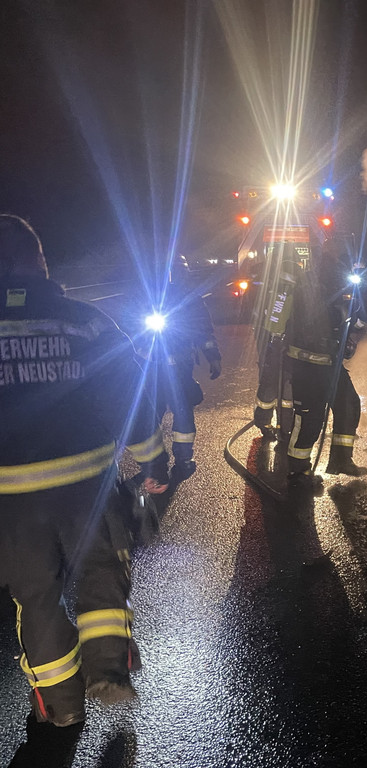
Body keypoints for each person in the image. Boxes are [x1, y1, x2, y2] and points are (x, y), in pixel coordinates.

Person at [0, 214, 170, 730]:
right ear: (39, 262)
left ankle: (62, 705)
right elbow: (127, 396)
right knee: (101, 573)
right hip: (87, 488)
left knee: (36, 595)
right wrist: (153, 458)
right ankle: (108, 671)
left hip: (9, 500)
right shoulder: (86, 322)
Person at [284, 244, 367, 488]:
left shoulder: (336, 289)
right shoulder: (309, 290)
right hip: (308, 366)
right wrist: (360, 308)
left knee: (348, 404)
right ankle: (298, 469)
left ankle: (341, 460)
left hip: (330, 364)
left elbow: (353, 321)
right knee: (310, 418)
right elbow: (334, 320)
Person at [140, 254, 222, 480]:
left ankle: (183, 458)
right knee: (151, 413)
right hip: (152, 369)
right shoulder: (148, 298)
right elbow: (133, 329)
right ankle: (153, 461)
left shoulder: (192, 300)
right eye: (172, 271)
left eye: (180, 271)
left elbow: (204, 332)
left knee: (183, 411)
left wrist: (213, 357)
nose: (176, 275)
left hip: (181, 367)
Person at [252, 258, 302, 439]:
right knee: (279, 384)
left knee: (277, 384)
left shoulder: (274, 288)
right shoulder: (283, 291)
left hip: (275, 343)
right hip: (277, 343)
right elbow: (273, 320)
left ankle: (276, 425)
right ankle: (280, 425)